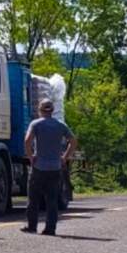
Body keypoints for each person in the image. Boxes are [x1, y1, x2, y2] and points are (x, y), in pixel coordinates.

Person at [22, 99, 77, 236]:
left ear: (40, 110)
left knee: (33, 198)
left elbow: (27, 140)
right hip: (55, 167)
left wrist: (31, 157)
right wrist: (65, 157)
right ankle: (50, 228)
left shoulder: (36, 124)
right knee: (52, 200)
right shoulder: (61, 125)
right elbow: (73, 141)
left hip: (39, 167)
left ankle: (32, 226)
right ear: (52, 110)